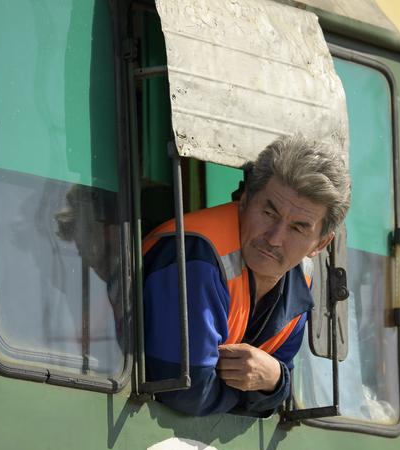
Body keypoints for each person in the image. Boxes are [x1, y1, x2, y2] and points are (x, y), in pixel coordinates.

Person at [142, 134, 350, 416]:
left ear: (321, 245)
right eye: (268, 212)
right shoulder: (196, 255)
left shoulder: (301, 284)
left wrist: (275, 378)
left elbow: (281, 374)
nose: (275, 238)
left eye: (298, 228)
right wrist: (266, 391)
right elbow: (186, 392)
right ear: (244, 200)